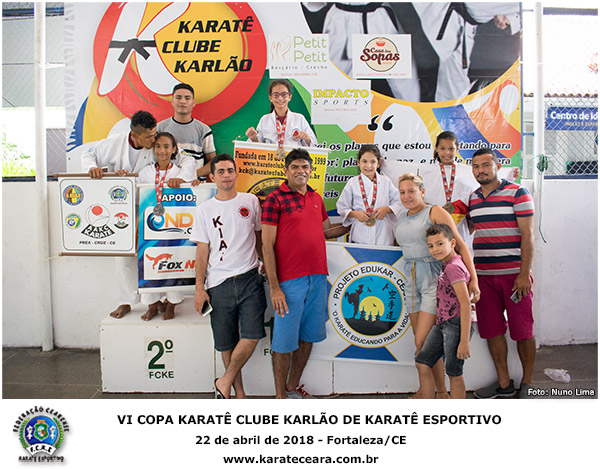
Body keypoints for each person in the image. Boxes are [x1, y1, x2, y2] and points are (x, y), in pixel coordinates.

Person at [81, 110, 196, 318]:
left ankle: (160, 298)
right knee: (124, 256)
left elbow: (187, 160)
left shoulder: (159, 144)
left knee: (158, 250)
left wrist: (183, 178)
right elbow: (88, 154)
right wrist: (92, 168)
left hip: (153, 206)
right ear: (134, 135)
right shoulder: (113, 143)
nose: (153, 140)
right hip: (122, 207)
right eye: (149, 137)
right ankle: (126, 301)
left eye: (154, 134)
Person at [261, 148, 348, 399]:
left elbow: (325, 231)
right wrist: (275, 287)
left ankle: (292, 388)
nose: (301, 171)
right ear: (286, 170)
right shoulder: (275, 199)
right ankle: (280, 398)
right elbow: (267, 244)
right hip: (289, 282)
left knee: (308, 337)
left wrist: (355, 222)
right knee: (283, 343)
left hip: (318, 278)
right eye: (295, 167)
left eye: (305, 167)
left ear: (311, 170)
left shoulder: (316, 198)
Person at [394, 173, 479, 399]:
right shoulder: (402, 216)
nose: (406, 196)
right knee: (421, 343)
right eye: (402, 192)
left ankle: (439, 392)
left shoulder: (434, 212)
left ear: (422, 191)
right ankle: (433, 390)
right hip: (411, 280)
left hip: (432, 278)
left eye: (411, 191)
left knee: (422, 341)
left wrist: (474, 279)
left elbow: (460, 245)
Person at [190, 154, 267, 399]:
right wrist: (199, 288)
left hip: (250, 278)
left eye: (230, 170)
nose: (226, 175)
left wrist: (267, 265)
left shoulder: (250, 201)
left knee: (252, 336)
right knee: (226, 343)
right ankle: (238, 394)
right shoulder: (204, 210)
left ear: (236, 174)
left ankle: (224, 381)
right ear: (212, 177)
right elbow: (202, 251)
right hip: (218, 284)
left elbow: (259, 239)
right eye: (221, 171)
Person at [467, 147, 535, 399]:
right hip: (484, 278)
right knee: (492, 330)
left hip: (514, 277)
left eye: (486, 165)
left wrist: (523, 274)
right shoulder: (473, 198)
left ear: (497, 166)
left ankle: (527, 383)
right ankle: (504, 384)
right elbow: (471, 230)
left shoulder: (518, 192)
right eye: (476, 166)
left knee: (523, 331)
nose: (481, 171)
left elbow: (528, 236)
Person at [136, 132, 199, 321]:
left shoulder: (180, 172)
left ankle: (171, 305)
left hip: (174, 226)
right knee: (149, 264)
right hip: (150, 227)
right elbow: (138, 199)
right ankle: (152, 305)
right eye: (158, 146)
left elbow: (191, 194)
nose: (161, 151)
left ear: (173, 149)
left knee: (174, 261)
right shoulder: (145, 172)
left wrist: (190, 183)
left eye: (166, 147)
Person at [416, 223, 474, 399]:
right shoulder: (447, 264)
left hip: (455, 324)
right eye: (431, 246)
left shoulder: (453, 267)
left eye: (440, 244)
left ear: (452, 243)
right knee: (422, 363)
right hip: (442, 323)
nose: (435, 249)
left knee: (454, 373)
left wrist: (464, 341)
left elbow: (465, 304)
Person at [336, 144, 401, 245]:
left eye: (373, 162)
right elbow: (342, 206)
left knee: (381, 254)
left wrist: (387, 209)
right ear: (358, 162)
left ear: (379, 163)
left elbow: (399, 202)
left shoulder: (386, 181)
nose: (368, 166)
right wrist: (355, 214)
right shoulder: (352, 182)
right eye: (364, 161)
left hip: (382, 232)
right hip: (360, 230)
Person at [157, 83, 217, 179]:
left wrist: (192, 175)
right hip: (166, 183)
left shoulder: (204, 130)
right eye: (178, 97)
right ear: (172, 101)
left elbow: (213, 161)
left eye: (187, 98)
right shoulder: (160, 128)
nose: (182, 101)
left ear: (193, 103)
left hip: (195, 184)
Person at [245, 80, 317, 158]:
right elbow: (258, 146)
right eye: (275, 95)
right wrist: (254, 138)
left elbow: (314, 145)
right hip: (270, 161)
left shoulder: (299, 118)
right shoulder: (264, 120)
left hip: (294, 161)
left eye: (284, 94)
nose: (280, 98)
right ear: (270, 98)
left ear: (289, 97)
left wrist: (307, 139)